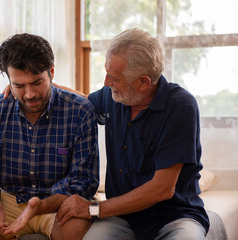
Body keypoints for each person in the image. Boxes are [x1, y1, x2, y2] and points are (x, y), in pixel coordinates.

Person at [51, 28, 210, 239]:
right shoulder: (114, 96)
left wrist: (93, 209)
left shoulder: (181, 106)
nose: (107, 82)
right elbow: (81, 101)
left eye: (114, 78)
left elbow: (162, 189)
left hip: (175, 216)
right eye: (107, 73)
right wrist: (42, 87)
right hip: (122, 216)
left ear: (143, 82)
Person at [0, 33, 100, 240]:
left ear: (52, 72)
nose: (29, 94)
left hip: (58, 202)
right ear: (9, 80)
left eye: (37, 82)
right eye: (19, 85)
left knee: (75, 231)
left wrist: (41, 205)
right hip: (7, 199)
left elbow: (84, 181)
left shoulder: (80, 111)